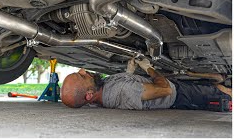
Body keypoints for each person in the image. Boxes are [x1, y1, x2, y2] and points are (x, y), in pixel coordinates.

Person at [60, 58, 232, 110]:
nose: (83, 70)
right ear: (89, 95)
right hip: (178, 95)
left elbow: (121, 90)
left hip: (171, 86)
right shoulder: (124, 91)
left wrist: (129, 72)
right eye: (82, 76)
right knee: (217, 90)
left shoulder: (98, 95)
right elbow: (165, 90)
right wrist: (148, 68)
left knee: (206, 77)